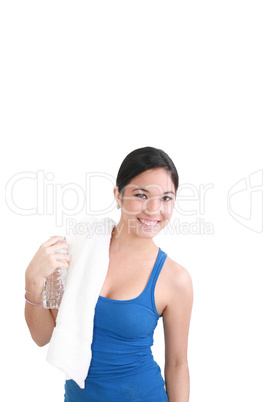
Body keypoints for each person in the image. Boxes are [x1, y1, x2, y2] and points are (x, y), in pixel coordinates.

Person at [25, 146, 194, 401]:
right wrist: (32, 281)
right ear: (118, 195)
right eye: (141, 194)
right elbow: (43, 336)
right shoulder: (78, 250)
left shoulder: (175, 279)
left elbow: (178, 364)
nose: (153, 209)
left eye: (166, 198)